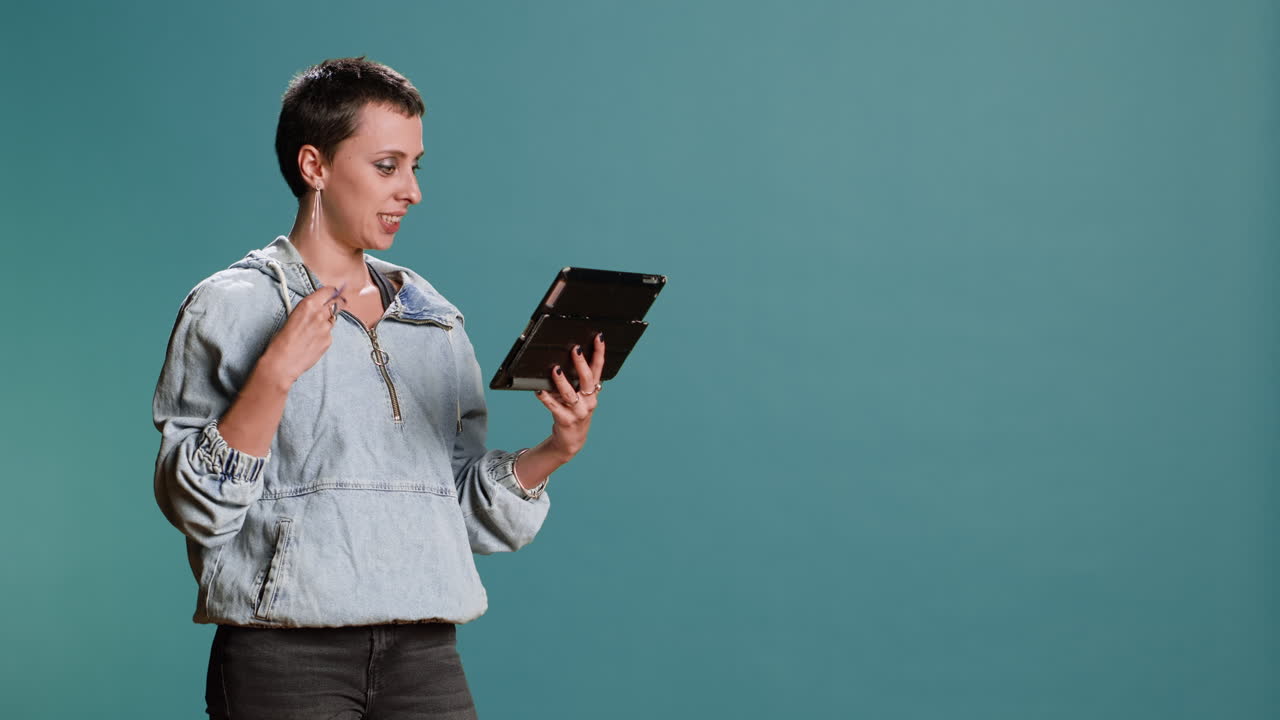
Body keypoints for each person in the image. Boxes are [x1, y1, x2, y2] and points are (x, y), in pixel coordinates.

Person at [151, 56, 605, 719]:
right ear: (315, 167)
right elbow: (195, 505)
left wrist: (558, 447)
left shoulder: (433, 317)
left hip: (424, 649)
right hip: (283, 651)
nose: (412, 190)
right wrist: (274, 375)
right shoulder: (231, 307)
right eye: (388, 166)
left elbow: (455, 502)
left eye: (415, 166)